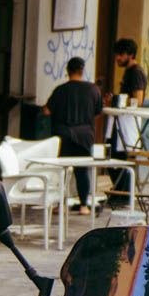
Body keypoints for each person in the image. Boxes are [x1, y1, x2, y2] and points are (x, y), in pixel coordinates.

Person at [45, 57, 105, 215]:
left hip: (63, 135)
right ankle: (84, 205)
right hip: (85, 136)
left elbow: (47, 110)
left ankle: (61, 204)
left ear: (68, 71)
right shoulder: (93, 90)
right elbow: (98, 111)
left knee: (62, 172)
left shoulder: (60, 90)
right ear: (82, 70)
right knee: (82, 171)